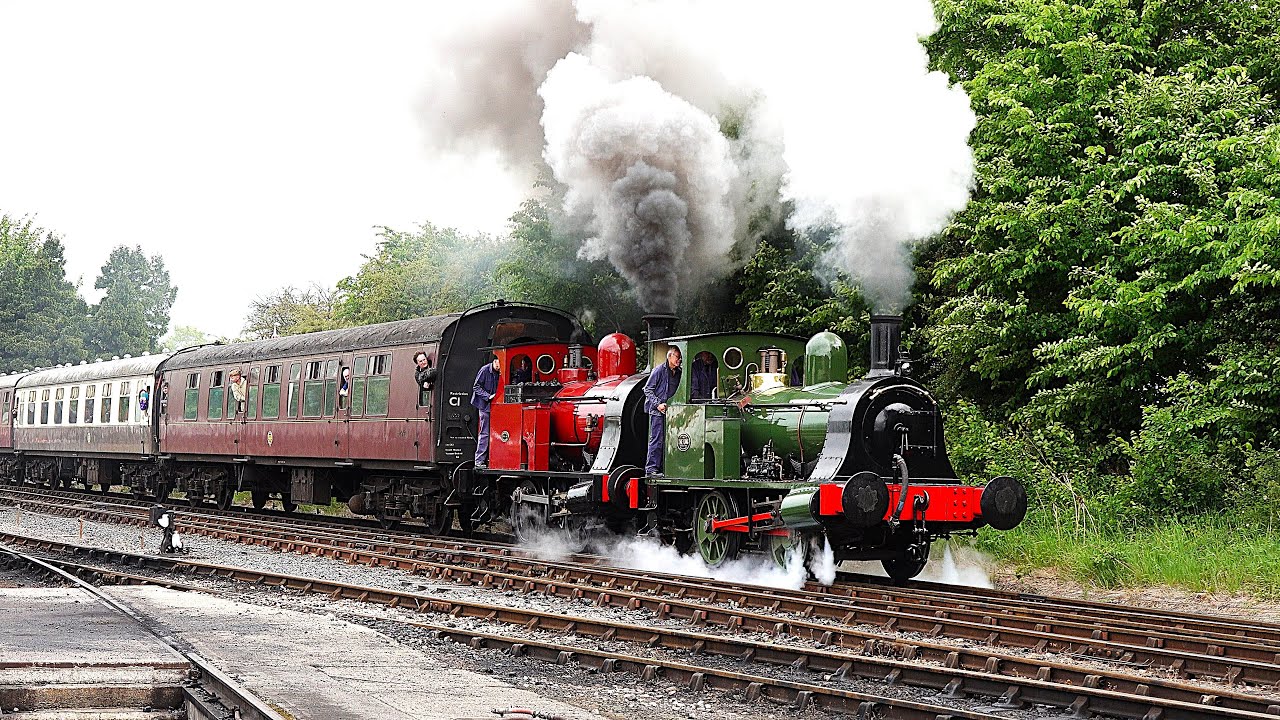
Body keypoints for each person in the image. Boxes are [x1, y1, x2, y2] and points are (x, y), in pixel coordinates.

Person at [643, 347, 682, 476]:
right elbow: (647, 389)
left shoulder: (679, 372)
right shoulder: (659, 370)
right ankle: (651, 469)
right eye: (677, 357)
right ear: (669, 356)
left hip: (672, 411)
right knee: (656, 439)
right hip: (657, 411)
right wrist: (658, 404)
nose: (679, 360)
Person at [470, 355, 501, 468]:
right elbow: (476, 387)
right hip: (484, 405)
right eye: (499, 364)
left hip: (496, 406)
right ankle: (479, 460)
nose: (501, 367)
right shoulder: (484, 370)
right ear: (495, 361)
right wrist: (488, 396)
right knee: (485, 433)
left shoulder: (499, 372)